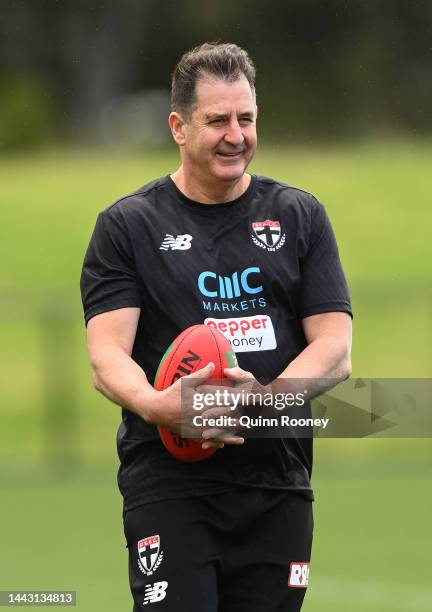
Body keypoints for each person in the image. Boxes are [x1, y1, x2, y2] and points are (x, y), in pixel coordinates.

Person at [80, 42, 352, 612]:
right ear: (178, 126)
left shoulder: (300, 215)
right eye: (217, 120)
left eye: (246, 118)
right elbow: (108, 358)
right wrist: (161, 408)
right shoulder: (128, 226)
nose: (236, 135)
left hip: (277, 483)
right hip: (170, 487)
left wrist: (267, 403)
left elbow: (335, 347)